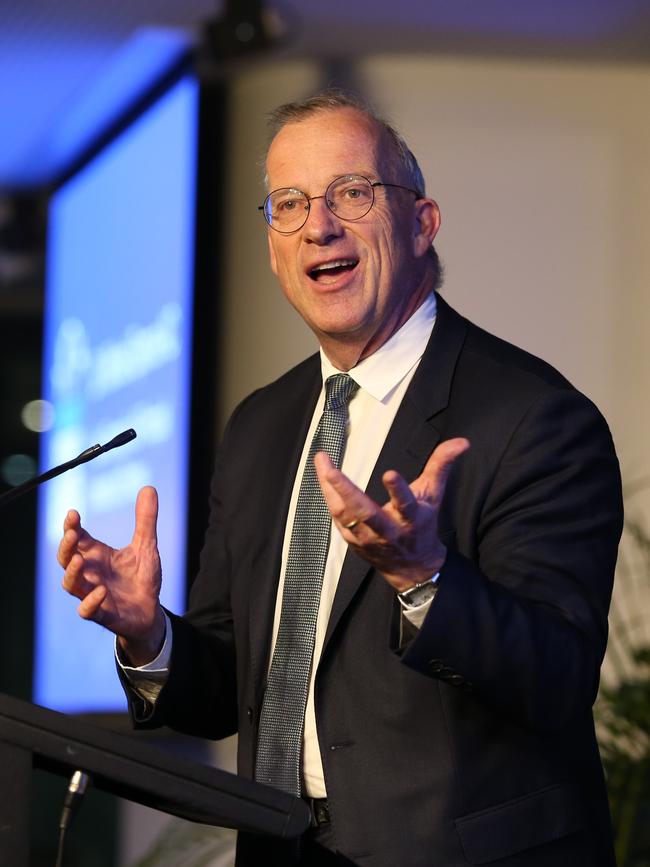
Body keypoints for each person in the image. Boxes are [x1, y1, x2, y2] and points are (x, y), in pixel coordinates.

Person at [57, 91, 623, 867]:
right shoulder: (260, 425)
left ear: (422, 223)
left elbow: (557, 678)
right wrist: (149, 633)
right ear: (272, 246)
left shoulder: (534, 418)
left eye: (351, 193)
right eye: (289, 203)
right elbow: (227, 685)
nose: (318, 224)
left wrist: (426, 578)